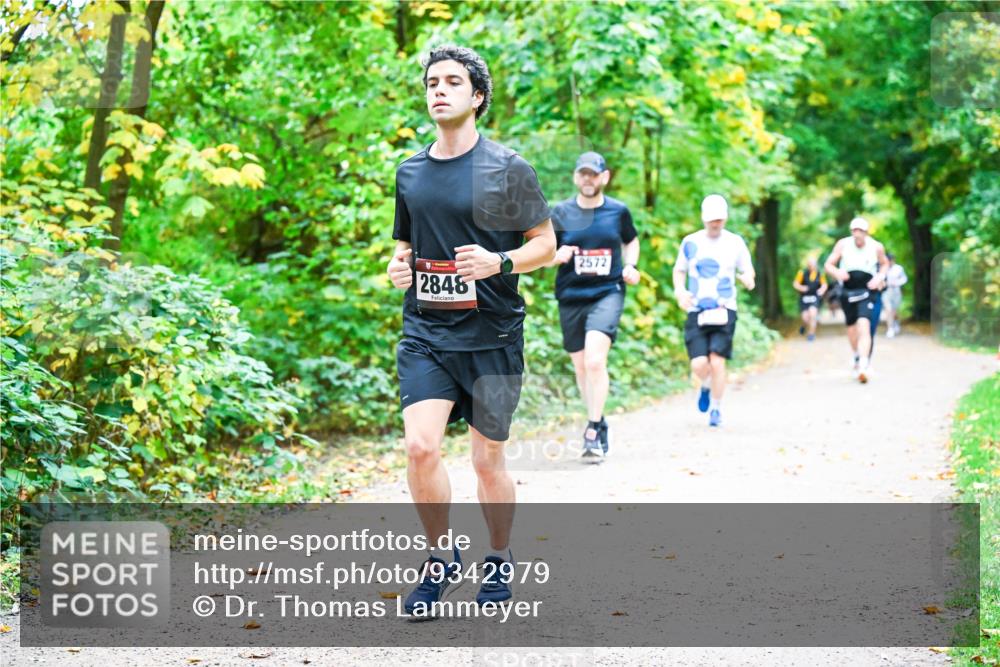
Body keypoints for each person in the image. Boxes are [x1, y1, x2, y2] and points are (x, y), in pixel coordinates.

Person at [386, 45, 556, 616]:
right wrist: (398, 266)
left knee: (487, 462)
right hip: (427, 332)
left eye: (453, 82)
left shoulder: (508, 169)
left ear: (476, 97)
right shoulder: (409, 171)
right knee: (419, 446)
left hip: (493, 334)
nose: (439, 90)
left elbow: (545, 244)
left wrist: (500, 262)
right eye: (432, 82)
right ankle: (441, 560)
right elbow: (405, 244)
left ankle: (500, 557)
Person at [548, 152, 640, 461]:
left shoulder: (618, 211)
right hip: (571, 296)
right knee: (579, 366)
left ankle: (592, 429)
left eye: (594, 174)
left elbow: (631, 240)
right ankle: (598, 418)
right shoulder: (560, 212)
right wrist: (555, 256)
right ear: (576, 178)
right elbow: (542, 249)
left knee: (595, 362)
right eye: (583, 174)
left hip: (607, 292)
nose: (588, 179)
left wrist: (631, 266)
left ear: (605, 177)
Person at [672, 194, 755, 427]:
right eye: (711, 219)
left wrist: (748, 278)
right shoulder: (690, 242)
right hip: (697, 309)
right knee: (699, 363)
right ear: (703, 218)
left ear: (725, 217)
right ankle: (705, 385)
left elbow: (748, 270)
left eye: (719, 219)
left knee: (717, 362)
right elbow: (679, 270)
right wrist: (680, 291)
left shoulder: (735, 242)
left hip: (724, 308)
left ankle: (716, 408)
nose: (715, 223)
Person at [823, 216, 889, 383]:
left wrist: (880, 277)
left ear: (866, 232)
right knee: (852, 328)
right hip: (848, 290)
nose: (857, 234)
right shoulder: (843, 244)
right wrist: (837, 272)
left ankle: (864, 365)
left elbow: (885, 264)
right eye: (854, 231)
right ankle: (857, 356)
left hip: (867, 290)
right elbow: (828, 264)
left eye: (860, 231)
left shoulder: (876, 247)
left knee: (864, 325)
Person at [793, 256, 827, 342]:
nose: (811, 266)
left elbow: (824, 285)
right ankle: (804, 326)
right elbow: (795, 284)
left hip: (814, 297)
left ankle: (811, 334)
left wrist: (821, 290)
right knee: (805, 318)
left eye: (813, 264)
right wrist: (801, 288)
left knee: (813, 314)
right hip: (804, 298)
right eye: (810, 264)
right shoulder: (802, 273)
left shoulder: (820, 274)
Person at [882, 252, 907, 338]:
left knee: (894, 310)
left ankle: (895, 322)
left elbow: (904, 279)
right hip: (886, 291)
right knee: (888, 309)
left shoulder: (899, 268)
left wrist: (897, 283)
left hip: (896, 291)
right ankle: (890, 328)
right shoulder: (883, 268)